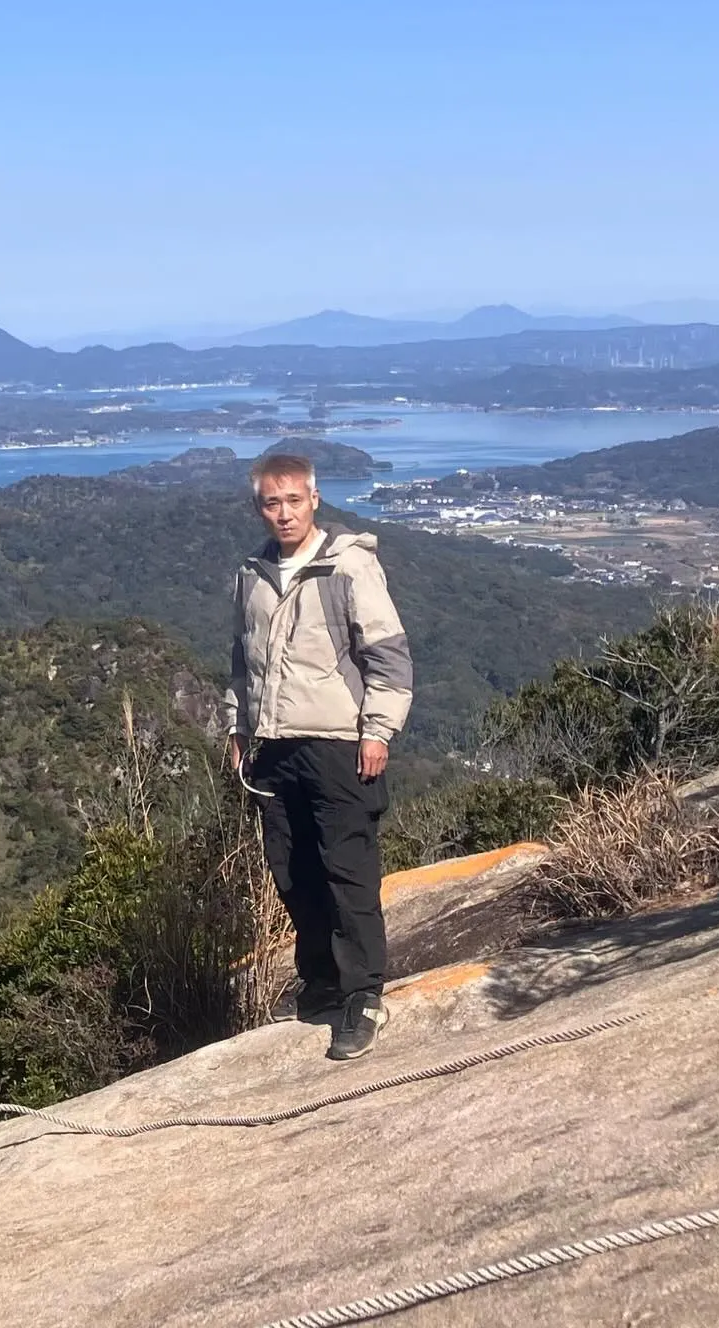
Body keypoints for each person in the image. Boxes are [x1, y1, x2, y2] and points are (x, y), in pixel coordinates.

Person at [223, 451, 412, 1061]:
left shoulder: (348, 567)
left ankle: (364, 996)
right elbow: (241, 660)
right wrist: (237, 726)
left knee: (347, 871)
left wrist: (378, 731)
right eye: (272, 503)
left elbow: (388, 658)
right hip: (274, 748)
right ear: (259, 506)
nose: (284, 513)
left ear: (314, 499)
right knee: (293, 872)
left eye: (293, 500)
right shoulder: (251, 574)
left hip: (337, 744)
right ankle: (322, 983)